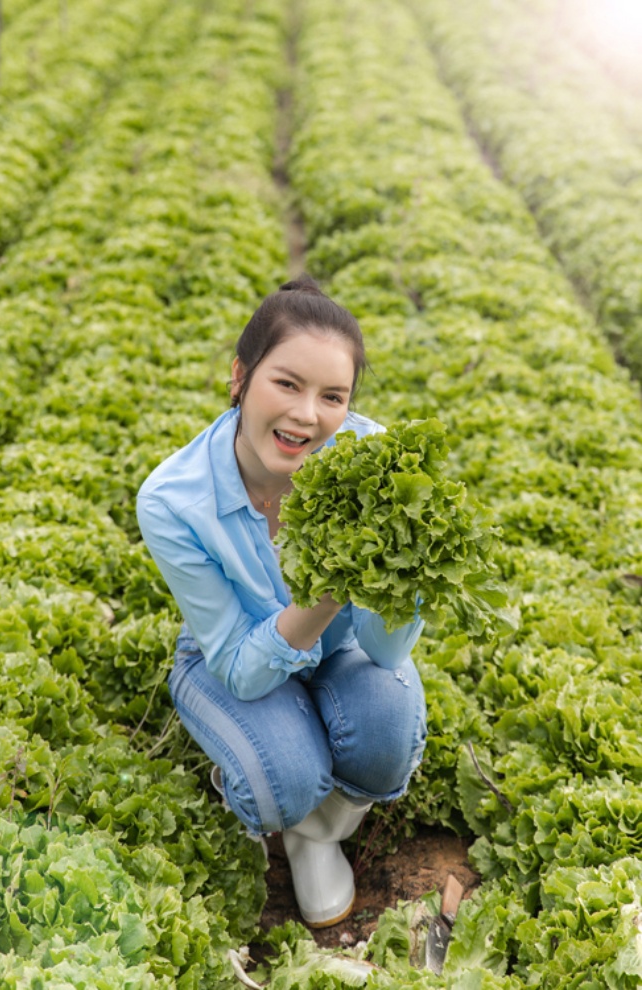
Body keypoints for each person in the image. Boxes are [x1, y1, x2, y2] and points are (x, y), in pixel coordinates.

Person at [136, 274, 427, 928]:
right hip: (230, 657)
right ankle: (284, 806)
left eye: (333, 397)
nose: (306, 415)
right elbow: (240, 665)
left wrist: (403, 573)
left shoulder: (372, 460)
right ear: (240, 377)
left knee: (387, 736)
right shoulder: (172, 500)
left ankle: (317, 833)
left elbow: (383, 649)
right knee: (282, 779)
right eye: (286, 384)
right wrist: (326, 590)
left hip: (344, 648)